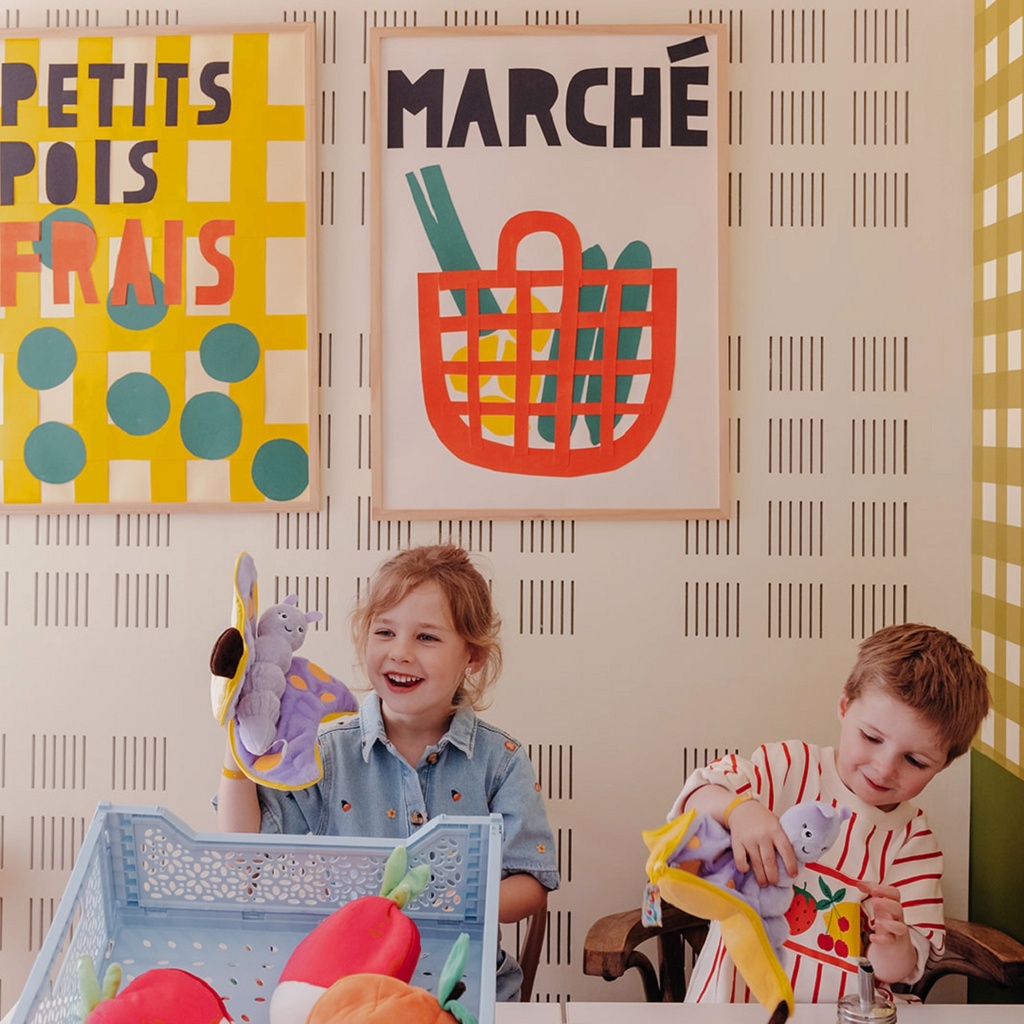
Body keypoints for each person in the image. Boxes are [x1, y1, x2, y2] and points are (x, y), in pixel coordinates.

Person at [216, 544, 559, 1000]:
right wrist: (237, 747)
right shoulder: (324, 754)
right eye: (384, 632)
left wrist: (452, 901)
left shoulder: (501, 759)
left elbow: (531, 884)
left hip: (467, 994)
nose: (400, 652)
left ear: (472, 656)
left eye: (427, 637)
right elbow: (243, 858)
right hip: (350, 995)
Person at [667, 623, 990, 1005]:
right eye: (871, 737)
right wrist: (739, 810)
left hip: (845, 1011)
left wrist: (894, 943)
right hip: (734, 1003)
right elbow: (695, 798)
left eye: (915, 761)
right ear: (844, 707)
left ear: (944, 764)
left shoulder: (913, 841)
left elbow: (903, 968)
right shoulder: (787, 767)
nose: (884, 768)